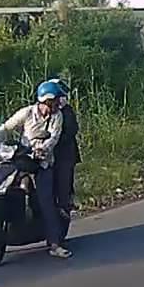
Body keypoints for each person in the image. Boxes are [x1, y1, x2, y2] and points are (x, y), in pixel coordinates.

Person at [0, 81, 70, 258]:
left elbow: (53, 138)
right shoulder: (28, 112)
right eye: (55, 100)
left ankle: (55, 244)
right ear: (47, 100)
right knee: (5, 183)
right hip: (22, 156)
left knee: (45, 201)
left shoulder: (57, 116)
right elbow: (7, 127)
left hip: (42, 162)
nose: (58, 104)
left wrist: (42, 149)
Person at [48, 78, 81, 227]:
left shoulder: (66, 111)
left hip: (64, 154)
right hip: (44, 153)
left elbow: (72, 130)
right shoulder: (40, 110)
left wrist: (54, 140)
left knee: (64, 184)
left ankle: (64, 205)